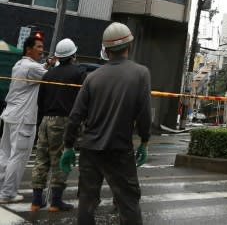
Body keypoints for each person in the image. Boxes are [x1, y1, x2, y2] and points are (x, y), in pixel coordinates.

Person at [61, 22, 151, 225]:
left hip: (90, 150)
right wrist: (144, 141)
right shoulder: (141, 74)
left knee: (87, 201)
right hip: (120, 150)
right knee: (128, 203)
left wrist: (68, 146)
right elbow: (144, 114)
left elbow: (75, 116)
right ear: (129, 45)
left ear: (106, 49)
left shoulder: (92, 78)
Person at [30, 38, 86, 212]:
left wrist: (41, 120)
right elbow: (82, 99)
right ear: (73, 55)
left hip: (46, 120)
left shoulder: (48, 74)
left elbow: (40, 101)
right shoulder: (78, 73)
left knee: (41, 159)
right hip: (64, 120)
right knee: (61, 159)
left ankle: (36, 201)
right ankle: (56, 201)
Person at [0, 34, 50, 204]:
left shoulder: (19, 65)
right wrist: (54, 65)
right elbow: (50, 76)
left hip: (10, 113)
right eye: (39, 47)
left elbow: (37, 71)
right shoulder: (33, 68)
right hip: (23, 117)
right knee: (19, 156)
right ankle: (8, 193)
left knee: (5, 153)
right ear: (29, 49)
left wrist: (46, 64)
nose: (42, 50)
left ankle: (2, 188)